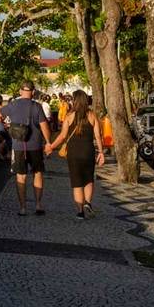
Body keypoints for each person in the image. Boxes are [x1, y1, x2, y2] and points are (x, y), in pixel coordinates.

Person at [46, 89, 105, 220]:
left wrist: (51, 146)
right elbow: (98, 136)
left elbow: (62, 136)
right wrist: (101, 152)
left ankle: (80, 211)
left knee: (77, 181)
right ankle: (87, 203)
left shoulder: (69, 116)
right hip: (88, 151)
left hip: (73, 153)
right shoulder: (92, 115)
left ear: (75, 100)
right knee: (88, 179)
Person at [0, 80, 51, 216]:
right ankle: (38, 205)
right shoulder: (37, 106)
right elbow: (44, 126)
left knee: (21, 176)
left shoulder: (12, 105)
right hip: (35, 145)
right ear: (33, 92)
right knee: (37, 173)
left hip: (18, 146)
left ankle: (22, 208)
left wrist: (7, 125)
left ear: (20, 91)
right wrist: (48, 143)